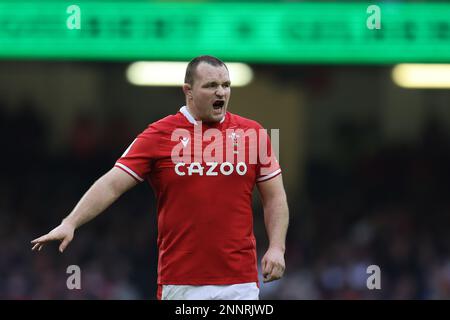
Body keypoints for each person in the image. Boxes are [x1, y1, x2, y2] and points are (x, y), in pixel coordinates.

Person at [31, 55, 289, 300]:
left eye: (225, 85)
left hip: (240, 283)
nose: (221, 92)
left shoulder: (252, 134)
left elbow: (275, 197)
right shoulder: (159, 135)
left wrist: (277, 247)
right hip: (182, 282)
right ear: (188, 90)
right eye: (211, 85)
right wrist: (71, 222)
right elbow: (111, 184)